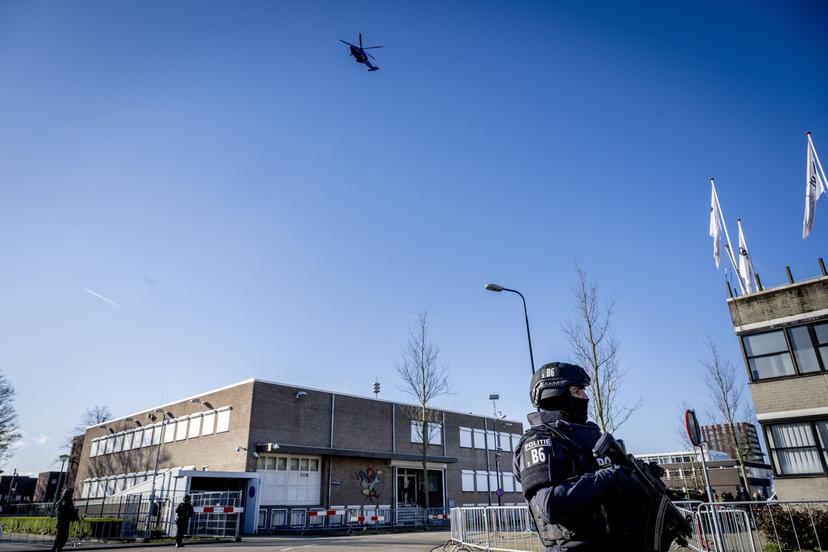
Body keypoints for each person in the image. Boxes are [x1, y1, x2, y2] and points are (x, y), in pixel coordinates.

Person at [513, 362, 646, 551]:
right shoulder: (539, 441)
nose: (586, 397)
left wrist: (637, 474)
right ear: (555, 396)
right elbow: (549, 504)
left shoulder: (591, 436)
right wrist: (610, 477)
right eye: (577, 392)